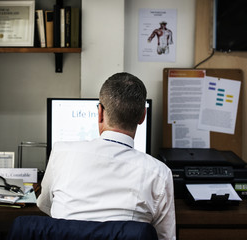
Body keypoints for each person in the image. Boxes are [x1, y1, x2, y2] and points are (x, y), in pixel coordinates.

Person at [37, 72, 176, 240]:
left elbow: (46, 206)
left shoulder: (61, 152)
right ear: (143, 117)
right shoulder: (160, 174)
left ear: (100, 112)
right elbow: (165, 237)